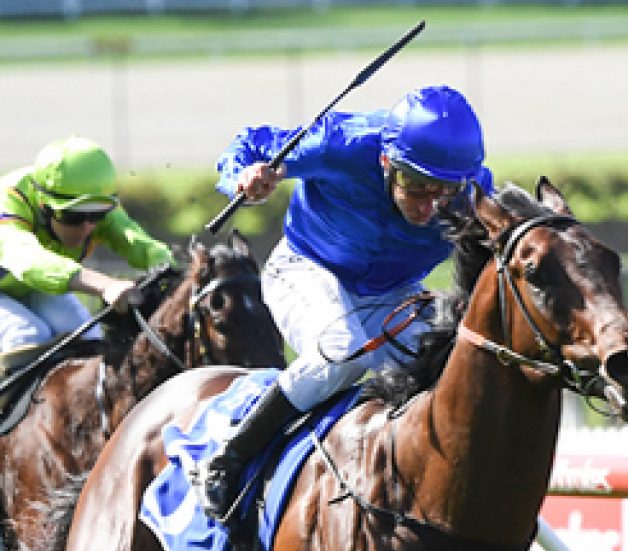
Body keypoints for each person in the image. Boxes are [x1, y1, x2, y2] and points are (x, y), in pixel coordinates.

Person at [203, 83, 492, 521]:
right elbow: (250, 144)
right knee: (342, 353)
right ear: (385, 161)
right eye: (415, 186)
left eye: (445, 191)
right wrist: (244, 175)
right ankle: (229, 457)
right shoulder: (342, 142)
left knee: (455, 368)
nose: (430, 207)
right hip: (306, 269)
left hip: (394, 295)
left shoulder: (475, 196)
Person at [0, 137, 174, 372]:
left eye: (97, 216)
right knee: (26, 334)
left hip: (25, 287)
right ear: (43, 206)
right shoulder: (10, 199)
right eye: (73, 217)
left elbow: (139, 242)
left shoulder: (98, 203)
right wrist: (105, 285)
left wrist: (178, 269)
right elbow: (28, 260)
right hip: (22, 279)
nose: (87, 226)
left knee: (87, 336)